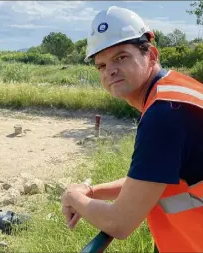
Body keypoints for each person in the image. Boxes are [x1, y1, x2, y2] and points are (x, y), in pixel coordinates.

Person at [61, 6, 203, 253]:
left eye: (121, 57)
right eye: (101, 65)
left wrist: (74, 197)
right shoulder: (175, 92)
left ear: (151, 55)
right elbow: (152, 178)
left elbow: (120, 222)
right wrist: (93, 191)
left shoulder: (165, 113)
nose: (110, 70)